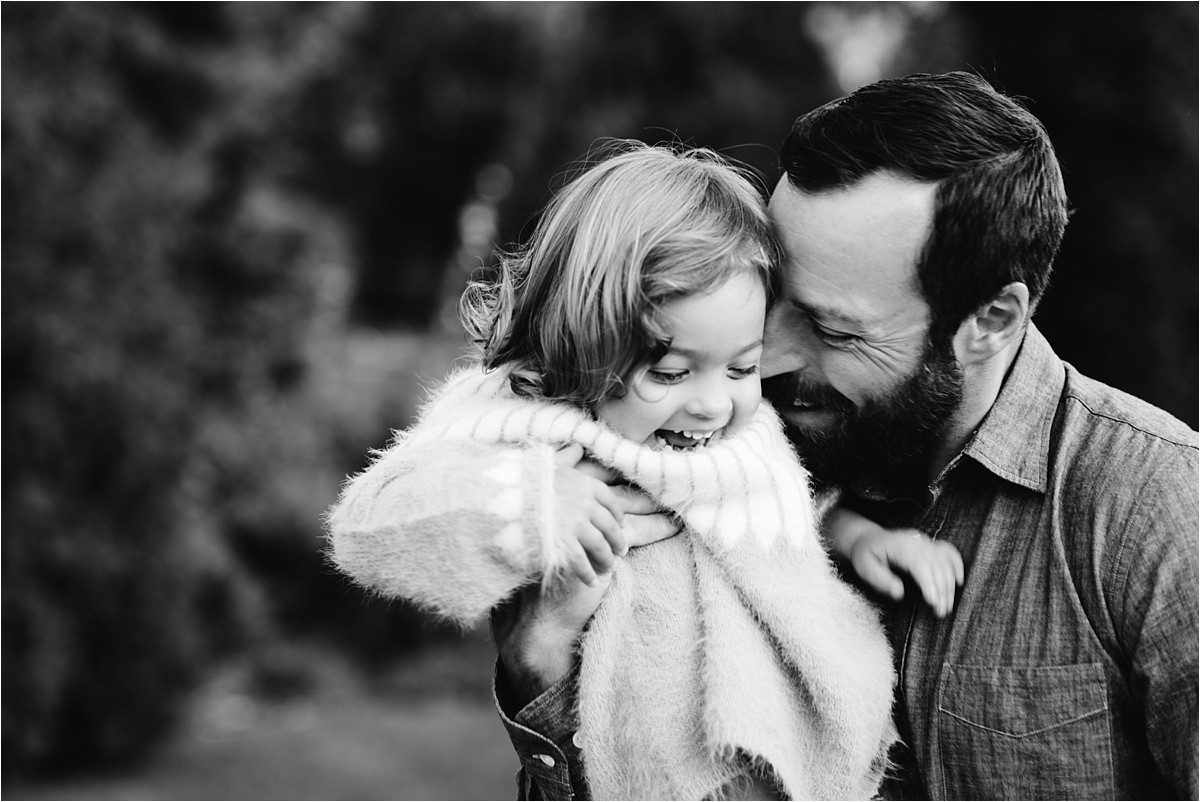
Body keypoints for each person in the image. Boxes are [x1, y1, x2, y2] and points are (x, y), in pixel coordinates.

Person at [488, 73, 1199, 800]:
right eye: (769, 301)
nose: (772, 358)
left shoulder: (1154, 510)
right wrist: (541, 667)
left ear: (990, 322)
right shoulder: (705, 453)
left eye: (832, 329)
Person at [326, 143, 944, 799]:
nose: (711, 403)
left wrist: (860, 537)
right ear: (585, 340)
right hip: (653, 767)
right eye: (671, 373)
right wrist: (536, 503)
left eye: (741, 366)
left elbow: (786, 497)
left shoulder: (750, 429)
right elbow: (372, 524)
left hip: (793, 755)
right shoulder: (530, 425)